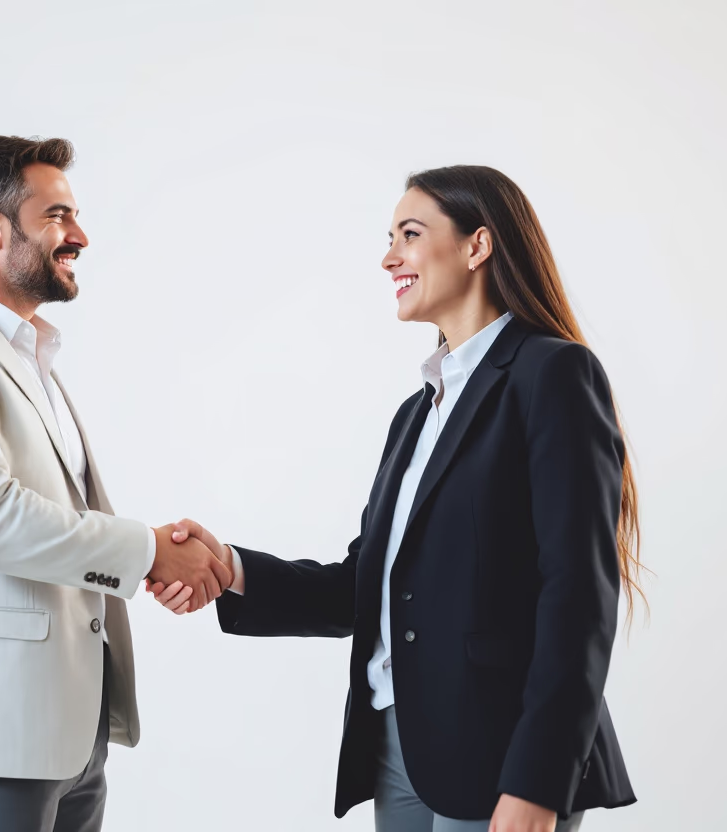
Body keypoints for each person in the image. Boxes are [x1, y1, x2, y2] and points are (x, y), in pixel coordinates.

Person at [148, 165, 641, 831]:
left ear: (478, 245)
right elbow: (368, 585)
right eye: (390, 238)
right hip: (399, 749)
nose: (388, 257)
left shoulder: (550, 372)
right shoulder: (418, 412)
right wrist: (229, 568)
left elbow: (578, 595)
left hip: (504, 757)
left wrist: (539, 780)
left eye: (409, 234)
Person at [0, 135, 230, 832]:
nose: (79, 236)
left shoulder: (33, 357)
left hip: (65, 732)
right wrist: (149, 552)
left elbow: (63, 521)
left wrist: (158, 565)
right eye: (56, 216)